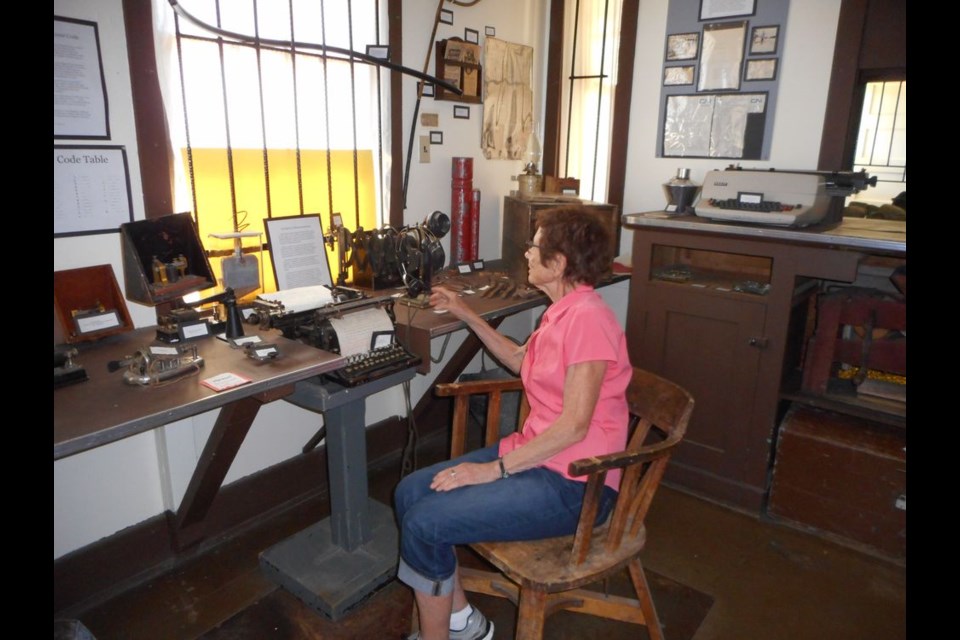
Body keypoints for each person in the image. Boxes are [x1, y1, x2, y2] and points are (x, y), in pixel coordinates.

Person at [394, 206, 633, 640]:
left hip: (577, 485)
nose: (527, 253)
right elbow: (521, 360)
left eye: (535, 246)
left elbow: (575, 427)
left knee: (424, 524)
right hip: (540, 458)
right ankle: (465, 622)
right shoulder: (561, 313)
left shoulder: (588, 320)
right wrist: (464, 311)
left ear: (558, 264)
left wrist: (491, 470)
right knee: (411, 493)